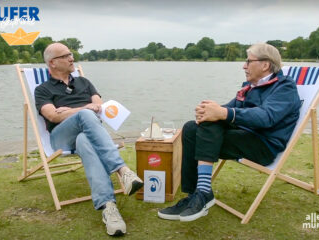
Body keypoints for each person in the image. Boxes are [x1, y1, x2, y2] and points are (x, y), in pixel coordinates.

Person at [158, 43, 301, 222]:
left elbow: (266, 117)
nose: (244, 66)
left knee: (212, 124)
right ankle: (194, 195)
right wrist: (209, 111)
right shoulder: (250, 87)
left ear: (265, 65)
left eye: (249, 61)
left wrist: (221, 113)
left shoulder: (284, 87)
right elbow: (228, 110)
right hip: (241, 136)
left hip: (263, 144)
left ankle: (203, 192)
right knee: (191, 128)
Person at [35, 43, 143, 236]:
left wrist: (72, 110)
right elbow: (53, 116)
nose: (72, 58)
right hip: (61, 138)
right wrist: (83, 109)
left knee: (84, 140)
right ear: (52, 62)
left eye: (71, 54)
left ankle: (109, 208)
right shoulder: (42, 89)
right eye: (66, 55)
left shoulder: (84, 82)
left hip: (87, 135)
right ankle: (122, 170)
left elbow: (99, 107)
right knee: (86, 116)